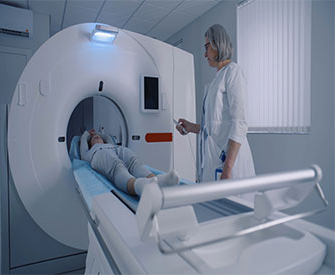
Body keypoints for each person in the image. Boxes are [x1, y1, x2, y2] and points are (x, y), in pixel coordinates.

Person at [176, 24, 255, 182]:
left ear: (218, 44)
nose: (205, 54)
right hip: (214, 160)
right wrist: (191, 127)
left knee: (236, 205)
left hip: (229, 164)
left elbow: (239, 123)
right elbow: (214, 126)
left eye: (207, 47)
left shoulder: (233, 73)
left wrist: (228, 168)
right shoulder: (215, 81)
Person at [80, 129, 179, 196]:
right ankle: (140, 186)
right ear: (89, 143)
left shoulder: (109, 143)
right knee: (118, 167)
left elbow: (106, 136)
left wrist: (96, 133)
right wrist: (88, 133)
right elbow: (83, 139)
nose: (97, 137)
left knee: (134, 163)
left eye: (99, 136)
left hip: (117, 150)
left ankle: (157, 180)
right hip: (101, 154)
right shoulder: (89, 152)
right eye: (94, 138)